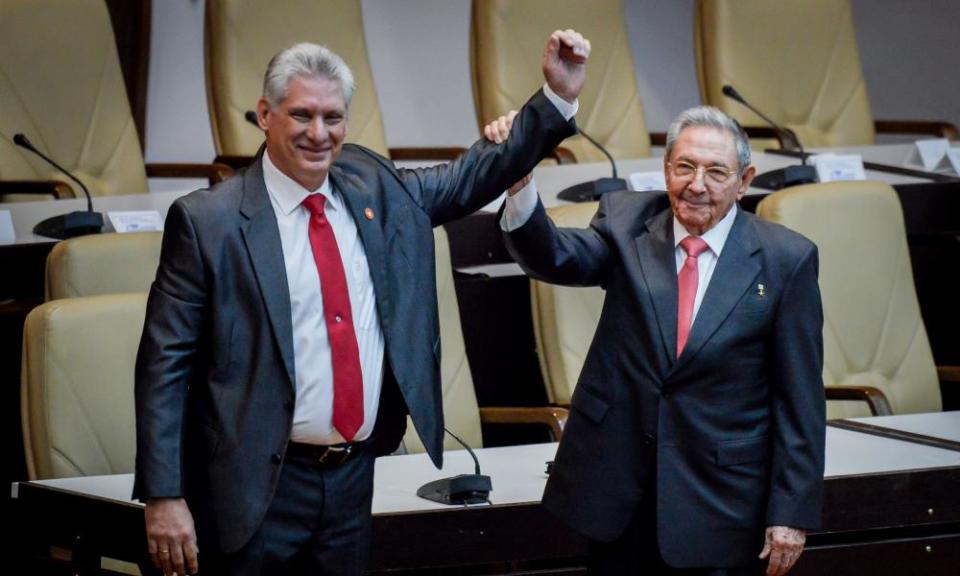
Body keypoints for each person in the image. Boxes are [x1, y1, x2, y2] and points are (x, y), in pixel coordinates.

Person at [134, 30, 590, 576]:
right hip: (251, 485)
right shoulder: (208, 221)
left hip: (351, 478)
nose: (318, 134)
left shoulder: (372, 184)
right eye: (301, 115)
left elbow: (471, 178)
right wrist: (163, 494)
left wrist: (555, 98)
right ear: (264, 114)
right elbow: (165, 364)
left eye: (333, 117)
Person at [488, 105, 825, 575]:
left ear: (744, 180)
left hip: (721, 501)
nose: (697, 184)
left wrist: (791, 511)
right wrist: (519, 180)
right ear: (666, 168)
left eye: (716, 171)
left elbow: (800, 399)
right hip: (620, 496)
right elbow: (554, 257)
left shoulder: (785, 259)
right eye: (684, 166)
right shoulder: (626, 222)